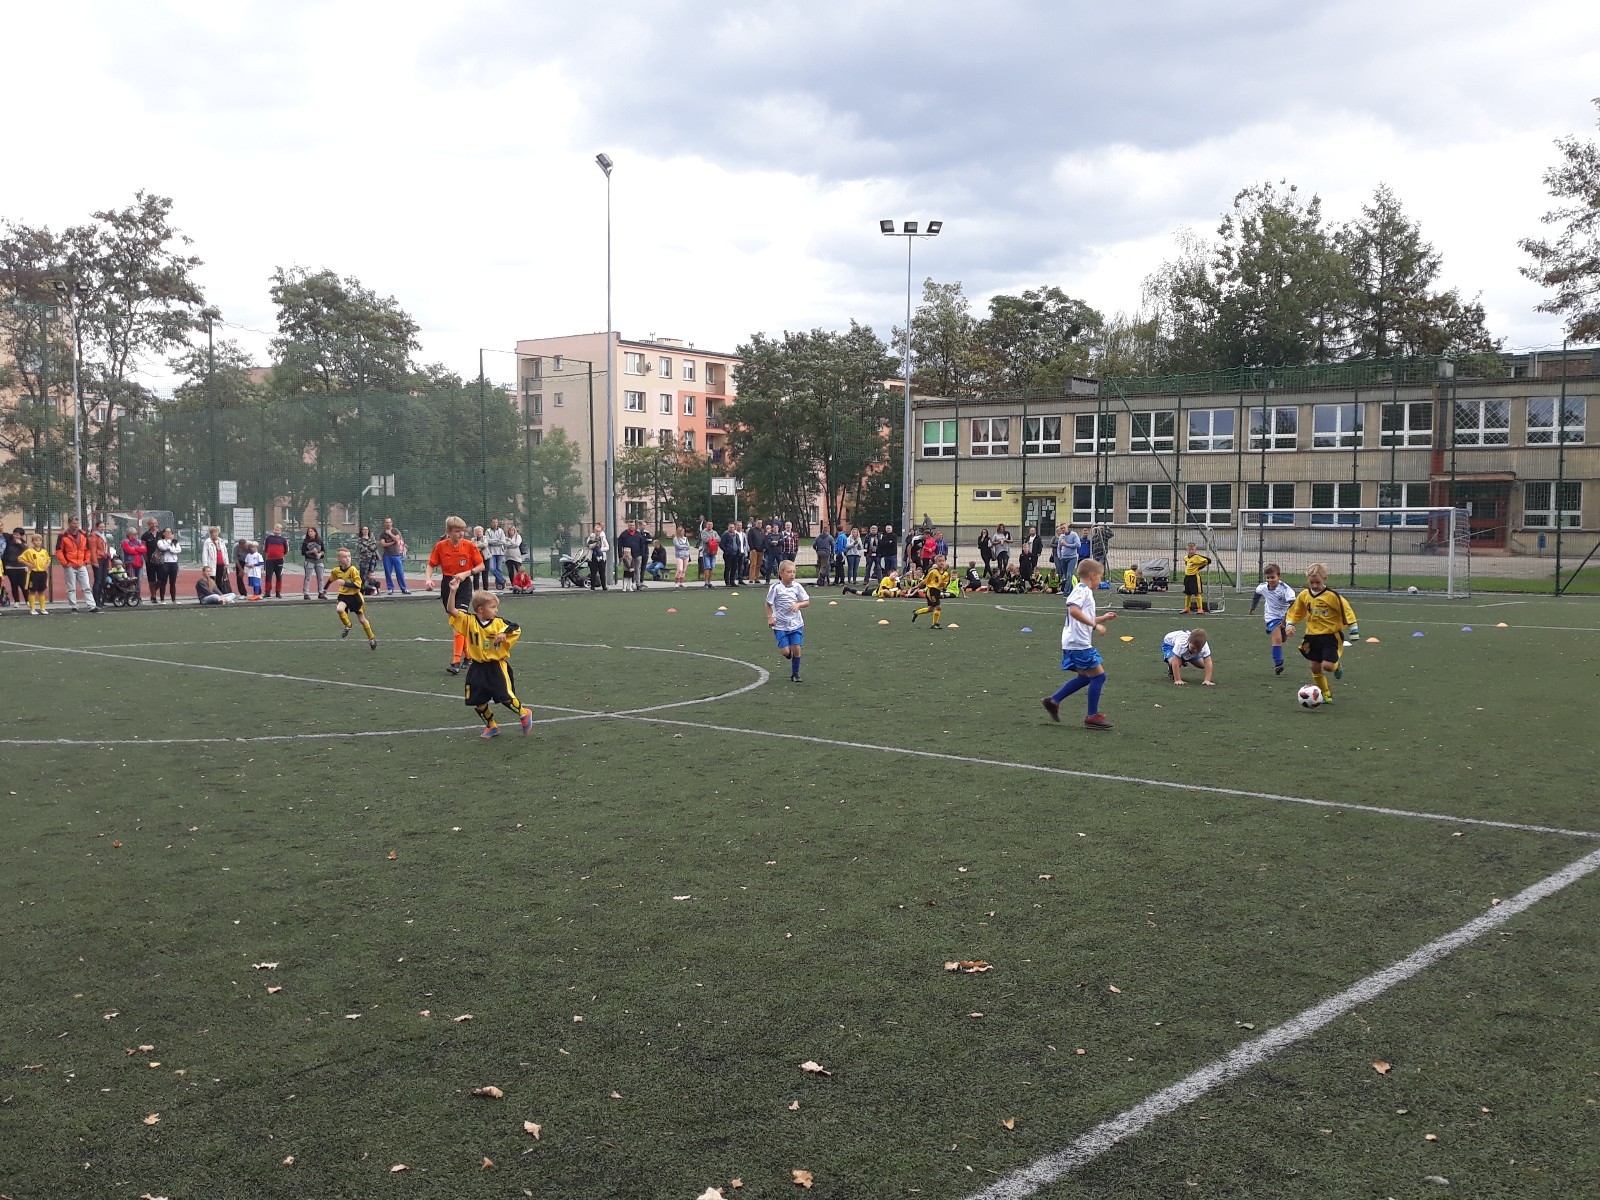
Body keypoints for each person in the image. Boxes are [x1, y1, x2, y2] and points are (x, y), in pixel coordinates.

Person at [444, 587, 533, 739]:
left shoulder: (499, 623)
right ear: (480, 609)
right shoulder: (469, 621)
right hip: (477, 667)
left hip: (496, 666)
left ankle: (524, 714)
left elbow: (515, 627)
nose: (496, 610)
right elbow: (451, 610)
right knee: (477, 701)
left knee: (505, 696)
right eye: (492, 607)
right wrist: (452, 591)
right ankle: (491, 725)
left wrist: (504, 633)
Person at [1041, 558, 1116, 730]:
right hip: (1078, 643)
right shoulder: (1082, 590)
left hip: (1073, 641)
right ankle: (1092, 716)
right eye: (1100, 577)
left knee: (1085, 677)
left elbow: (1082, 617)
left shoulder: (1083, 591)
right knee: (1099, 676)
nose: (1101, 582)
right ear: (1093, 575)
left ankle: (1053, 701)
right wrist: (1096, 626)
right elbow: (1073, 610)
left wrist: (1102, 618)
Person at [1285, 563, 1359, 703]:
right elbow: (1296, 611)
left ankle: (1337, 666)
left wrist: (1353, 627)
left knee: (1327, 666)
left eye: (1317, 582)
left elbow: (1346, 609)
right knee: (1314, 666)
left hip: (1330, 636)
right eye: (1311, 582)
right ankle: (1325, 694)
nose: (1314, 585)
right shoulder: (1304, 595)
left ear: (1325, 578)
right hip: (1311, 636)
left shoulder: (1332, 596)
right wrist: (1290, 624)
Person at [425, 516, 486, 674]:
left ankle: (456, 661)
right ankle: (469, 657)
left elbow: (481, 565)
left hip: (464, 585)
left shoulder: (469, 546)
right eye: (457, 531)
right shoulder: (440, 546)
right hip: (448, 584)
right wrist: (428, 579)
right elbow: (431, 564)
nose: (461, 534)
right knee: (456, 623)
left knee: (459, 619)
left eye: (462, 531)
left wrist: (467, 573)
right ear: (448, 532)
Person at [765, 559, 811, 682]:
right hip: (780, 625)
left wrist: (798, 604)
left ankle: (795, 674)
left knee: (797, 648)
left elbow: (806, 602)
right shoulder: (775, 588)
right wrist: (770, 617)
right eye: (789, 572)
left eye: (794, 572)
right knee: (786, 652)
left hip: (796, 623)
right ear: (781, 573)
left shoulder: (797, 586)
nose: (792, 575)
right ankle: (789, 654)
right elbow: (768, 603)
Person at [1248, 562, 1298, 675]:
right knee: (1277, 639)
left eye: (1273, 577)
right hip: (1271, 616)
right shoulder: (1262, 587)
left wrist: (1285, 620)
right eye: (1268, 578)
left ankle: (1278, 630)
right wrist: (1252, 608)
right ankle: (1278, 664)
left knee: (1283, 639)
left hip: (1285, 616)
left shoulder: (1286, 589)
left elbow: (1293, 605)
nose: (1270, 580)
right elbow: (1256, 595)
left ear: (1279, 576)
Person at [328, 546, 378, 648]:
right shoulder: (336, 570)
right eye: (345, 557)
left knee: (362, 620)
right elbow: (331, 579)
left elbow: (358, 585)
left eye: (349, 556)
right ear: (338, 558)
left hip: (355, 597)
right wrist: (324, 589)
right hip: (343, 596)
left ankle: (371, 638)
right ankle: (348, 625)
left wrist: (344, 583)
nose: (348, 559)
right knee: (339, 609)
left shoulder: (353, 569)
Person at [55, 517, 98, 613]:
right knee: (71, 587)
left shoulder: (83, 534)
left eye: (78, 523)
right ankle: (73, 606)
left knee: (86, 586)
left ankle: (91, 606)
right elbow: (59, 551)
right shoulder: (63, 535)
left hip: (81, 564)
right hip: (69, 565)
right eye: (74, 523)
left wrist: (86, 560)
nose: (76, 525)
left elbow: (87, 549)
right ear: (69, 524)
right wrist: (65, 563)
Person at [911, 554, 952, 629]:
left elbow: (946, 583)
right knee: (938, 607)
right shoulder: (933, 572)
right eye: (939, 561)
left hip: (937, 591)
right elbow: (925, 581)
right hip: (931, 591)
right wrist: (916, 587)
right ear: (936, 562)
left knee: (930, 609)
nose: (941, 562)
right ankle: (934, 624)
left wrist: (943, 586)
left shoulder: (946, 574)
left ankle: (916, 612)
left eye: (943, 561)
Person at [20, 533, 51, 615]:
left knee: (41, 591)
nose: (38, 542)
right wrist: (28, 564)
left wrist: (47, 564)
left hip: (42, 573)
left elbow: (48, 560)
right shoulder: (29, 551)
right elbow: (20, 558)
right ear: (32, 541)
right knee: (32, 591)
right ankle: (32, 609)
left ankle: (43, 608)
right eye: (36, 540)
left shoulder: (44, 551)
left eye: (40, 540)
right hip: (33, 573)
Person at [379, 518, 408, 594]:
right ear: (384, 523)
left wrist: (389, 533)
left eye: (389, 522)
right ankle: (390, 588)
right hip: (387, 556)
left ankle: (404, 588)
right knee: (388, 573)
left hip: (396, 555)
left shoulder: (395, 531)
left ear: (392, 523)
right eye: (386, 522)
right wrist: (392, 543)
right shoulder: (382, 534)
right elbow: (383, 544)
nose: (388, 524)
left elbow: (397, 539)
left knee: (400, 572)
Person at [1181, 541, 1210, 614]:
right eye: (1189, 550)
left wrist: (1199, 567)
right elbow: (1187, 563)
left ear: (1195, 550)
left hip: (1194, 577)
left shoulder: (1197, 557)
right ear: (1187, 550)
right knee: (1188, 594)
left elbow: (1207, 561)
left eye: (1192, 550)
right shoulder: (1185, 558)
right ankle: (1187, 608)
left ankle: (1200, 609)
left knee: (1197, 593)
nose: (1191, 551)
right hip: (1187, 577)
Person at [155, 527, 182, 603]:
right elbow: (162, 548)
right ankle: (162, 599)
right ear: (164, 533)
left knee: (173, 582)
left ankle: (174, 599)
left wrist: (171, 549)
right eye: (167, 532)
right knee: (163, 582)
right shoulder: (160, 541)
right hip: (164, 563)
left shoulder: (175, 542)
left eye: (170, 532)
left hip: (173, 563)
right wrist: (169, 541)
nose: (169, 533)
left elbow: (178, 550)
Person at [201, 526, 231, 594]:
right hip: (212, 564)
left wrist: (226, 563)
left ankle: (220, 593)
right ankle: (211, 592)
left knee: (220, 579)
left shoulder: (221, 541)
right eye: (213, 533)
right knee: (211, 579)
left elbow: (225, 552)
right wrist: (205, 565)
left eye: (216, 532)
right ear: (210, 534)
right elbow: (205, 554)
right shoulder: (207, 542)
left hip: (221, 563)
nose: (215, 534)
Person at [4, 527, 30, 604]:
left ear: (21, 536)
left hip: (21, 567)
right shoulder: (9, 542)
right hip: (10, 567)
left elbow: (26, 550)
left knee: (23, 584)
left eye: (18, 535)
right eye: (14, 534)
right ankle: (16, 601)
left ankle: (27, 600)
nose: (15, 536)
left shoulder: (24, 544)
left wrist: (20, 544)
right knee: (14, 584)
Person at [88, 521, 112, 603]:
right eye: (101, 527)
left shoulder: (104, 536)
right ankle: (96, 600)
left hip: (104, 559)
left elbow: (107, 548)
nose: (102, 528)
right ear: (96, 527)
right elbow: (93, 549)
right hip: (98, 559)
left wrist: (109, 560)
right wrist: (94, 561)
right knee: (98, 580)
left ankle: (101, 599)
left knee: (103, 580)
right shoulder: (93, 536)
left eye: (103, 527)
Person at [263, 524, 289, 597]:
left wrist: (280, 555)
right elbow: (265, 548)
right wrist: (270, 554)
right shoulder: (268, 538)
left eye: (278, 530)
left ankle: (278, 592)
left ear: (281, 531)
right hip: (270, 560)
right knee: (268, 576)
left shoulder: (283, 540)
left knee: (279, 576)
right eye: (275, 529)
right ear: (273, 530)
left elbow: (286, 550)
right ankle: (267, 592)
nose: (276, 531)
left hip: (279, 560)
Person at [119, 530, 146, 602]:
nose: (136, 535)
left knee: (138, 581)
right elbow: (129, 550)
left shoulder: (139, 542)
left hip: (139, 564)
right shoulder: (125, 542)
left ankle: (138, 597)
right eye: (134, 534)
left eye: (136, 534)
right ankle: (131, 596)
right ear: (130, 535)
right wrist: (138, 550)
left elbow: (144, 549)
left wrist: (135, 548)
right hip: (130, 564)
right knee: (131, 581)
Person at [301, 526, 327, 599]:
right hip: (309, 561)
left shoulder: (319, 540)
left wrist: (320, 554)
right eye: (309, 532)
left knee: (320, 578)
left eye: (311, 531)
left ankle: (321, 593)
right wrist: (311, 551)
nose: (310, 533)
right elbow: (303, 552)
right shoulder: (305, 542)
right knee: (308, 578)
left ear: (315, 532)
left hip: (319, 561)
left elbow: (323, 550)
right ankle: (306, 594)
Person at [354, 526, 381, 593]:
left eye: (367, 529)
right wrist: (370, 546)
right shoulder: (360, 540)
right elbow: (361, 549)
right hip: (364, 560)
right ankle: (362, 589)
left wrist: (378, 556)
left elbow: (375, 548)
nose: (366, 531)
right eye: (364, 529)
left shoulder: (372, 539)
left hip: (372, 559)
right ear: (362, 531)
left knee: (371, 574)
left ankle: (371, 589)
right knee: (363, 575)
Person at [484, 518, 508, 589]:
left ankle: (499, 584)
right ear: (491, 523)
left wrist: (494, 542)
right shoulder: (488, 531)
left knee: (499, 568)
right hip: (491, 552)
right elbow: (488, 541)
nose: (495, 524)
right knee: (492, 568)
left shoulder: (501, 531)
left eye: (496, 522)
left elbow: (503, 541)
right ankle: (502, 580)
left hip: (500, 552)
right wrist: (497, 540)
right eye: (493, 522)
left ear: (498, 523)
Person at [140, 517, 161, 600]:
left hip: (161, 560)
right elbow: (143, 549)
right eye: (152, 523)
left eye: (155, 523)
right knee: (151, 579)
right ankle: (153, 595)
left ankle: (154, 591)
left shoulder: (161, 534)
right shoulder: (145, 536)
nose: (154, 525)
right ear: (148, 524)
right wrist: (146, 560)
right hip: (150, 561)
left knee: (162, 579)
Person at [585, 523, 610, 591]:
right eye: (597, 531)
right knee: (593, 572)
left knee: (602, 572)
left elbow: (607, 547)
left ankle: (604, 586)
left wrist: (600, 550)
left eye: (599, 531)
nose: (598, 533)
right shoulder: (591, 537)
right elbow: (589, 546)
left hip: (601, 557)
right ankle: (592, 587)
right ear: (594, 531)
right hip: (593, 557)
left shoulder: (603, 538)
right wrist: (595, 544)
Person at [1055, 527, 1080, 591]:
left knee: (1069, 575)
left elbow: (1078, 545)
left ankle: (1066, 592)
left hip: (1072, 557)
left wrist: (1067, 544)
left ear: (1067, 528)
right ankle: (1071, 590)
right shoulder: (1061, 536)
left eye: (1064, 528)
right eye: (1061, 528)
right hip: (1063, 558)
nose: (1062, 529)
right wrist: (1059, 556)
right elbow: (1059, 547)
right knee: (1066, 576)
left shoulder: (1074, 534)